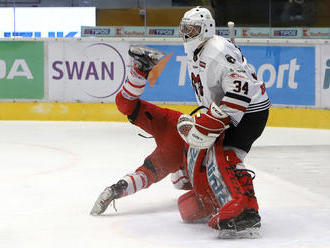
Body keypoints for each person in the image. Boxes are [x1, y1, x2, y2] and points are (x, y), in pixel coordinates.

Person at [90, 43, 263, 239]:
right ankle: (247, 209)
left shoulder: (169, 158)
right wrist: (116, 190)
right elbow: (143, 177)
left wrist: (115, 190)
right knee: (192, 203)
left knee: (188, 207)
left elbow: (142, 176)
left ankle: (140, 70)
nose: (183, 181)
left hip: (181, 128)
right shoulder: (172, 161)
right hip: (188, 131)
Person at [178, 5, 271, 234]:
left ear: (206, 29)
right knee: (220, 156)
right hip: (236, 108)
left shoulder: (215, 50)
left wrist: (217, 119)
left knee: (227, 155)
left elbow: (241, 88)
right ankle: (228, 202)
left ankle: (247, 213)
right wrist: (213, 115)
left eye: (191, 29)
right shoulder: (200, 49)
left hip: (250, 110)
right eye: (185, 28)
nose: (186, 34)